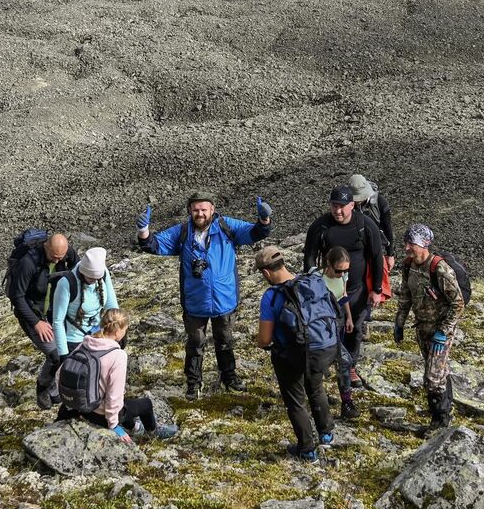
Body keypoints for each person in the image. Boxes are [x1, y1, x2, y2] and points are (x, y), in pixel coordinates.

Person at [140, 191, 273, 398]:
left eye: (203, 209)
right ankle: (193, 383)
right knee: (195, 343)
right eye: (195, 209)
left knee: (225, 340)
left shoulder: (226, 226)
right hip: (195, 302)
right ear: (190, 211)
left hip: (224, 299)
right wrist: (143, 231)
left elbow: (256, 232)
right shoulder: (182, 231)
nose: (199, 213)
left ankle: (229, 377)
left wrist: (264, 219)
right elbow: (154, 245)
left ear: (212, 209)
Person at [302, 184, 389, 419]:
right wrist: (312, 284)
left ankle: (349, 366)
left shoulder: (364, 224)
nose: (337, 211)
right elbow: (309, 255)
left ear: (352, 205)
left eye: (342, 206)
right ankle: (329, 362)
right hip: (328, 290)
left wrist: (377, 289)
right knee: (328, 328)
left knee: (355, 328)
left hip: (357, 289)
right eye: (334, 206)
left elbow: (376, 256)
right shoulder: (321, 226)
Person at [254, 246, 337, 462]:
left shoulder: (272, 296)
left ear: (266, 272)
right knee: (316, 388)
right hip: (321, 349)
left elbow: (264, 339)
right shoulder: (309, 283)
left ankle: (307, 449)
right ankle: (326, 434)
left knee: (296, 401)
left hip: (292, 355)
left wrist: (261, 344)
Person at [58, 307, 176, 442]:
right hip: (98, 415)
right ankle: (153, 434)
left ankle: (135, 427)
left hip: (78, 406)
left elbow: (60, 374)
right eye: (125, 330)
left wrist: (70, 401)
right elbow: (114, 397)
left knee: (126, 405)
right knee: (145, 404)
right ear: (118, 330)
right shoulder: (117, 355)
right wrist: (113, 425)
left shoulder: (86, 342)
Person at [392, 224, 464, 431]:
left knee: (432, 377)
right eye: (406, 243)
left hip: (441, 330)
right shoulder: (409, 265)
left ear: (423, 245)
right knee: (437, 371)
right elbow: (405, 295)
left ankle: (439, 421)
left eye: (411, 243)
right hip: (422, 327)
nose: (406, 247)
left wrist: (443, 332)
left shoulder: (439, 269)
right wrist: (399, 322)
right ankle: (444, 409)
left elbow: (458, 303)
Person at [6, 230, 76, 407]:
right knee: (54, 355)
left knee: (66, 350)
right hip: (32, 313)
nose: (57, 260)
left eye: (61, 257)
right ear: (46, 246)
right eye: (54, 256)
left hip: (56, 311)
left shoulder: (67, 254)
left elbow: (77, 274)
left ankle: (55, 388)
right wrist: (36, 323)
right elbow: (17, 297)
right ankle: (43, 388)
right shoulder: (28, 263)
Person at [49, 246, 118, 358]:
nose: (94, 281)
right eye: (90, 278)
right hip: (74, 341)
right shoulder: (66, 283)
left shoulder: (103, 272)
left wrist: (118, 329)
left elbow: (112, 305)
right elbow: (58, 321)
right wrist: (63, 354)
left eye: (97, 278)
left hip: (98, 335)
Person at [347, 174, 395, 262]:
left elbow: (387, 228)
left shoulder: (380, 202)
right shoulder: (345, 203)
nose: (357, 201)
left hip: (375, 245)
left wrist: (390, 254)